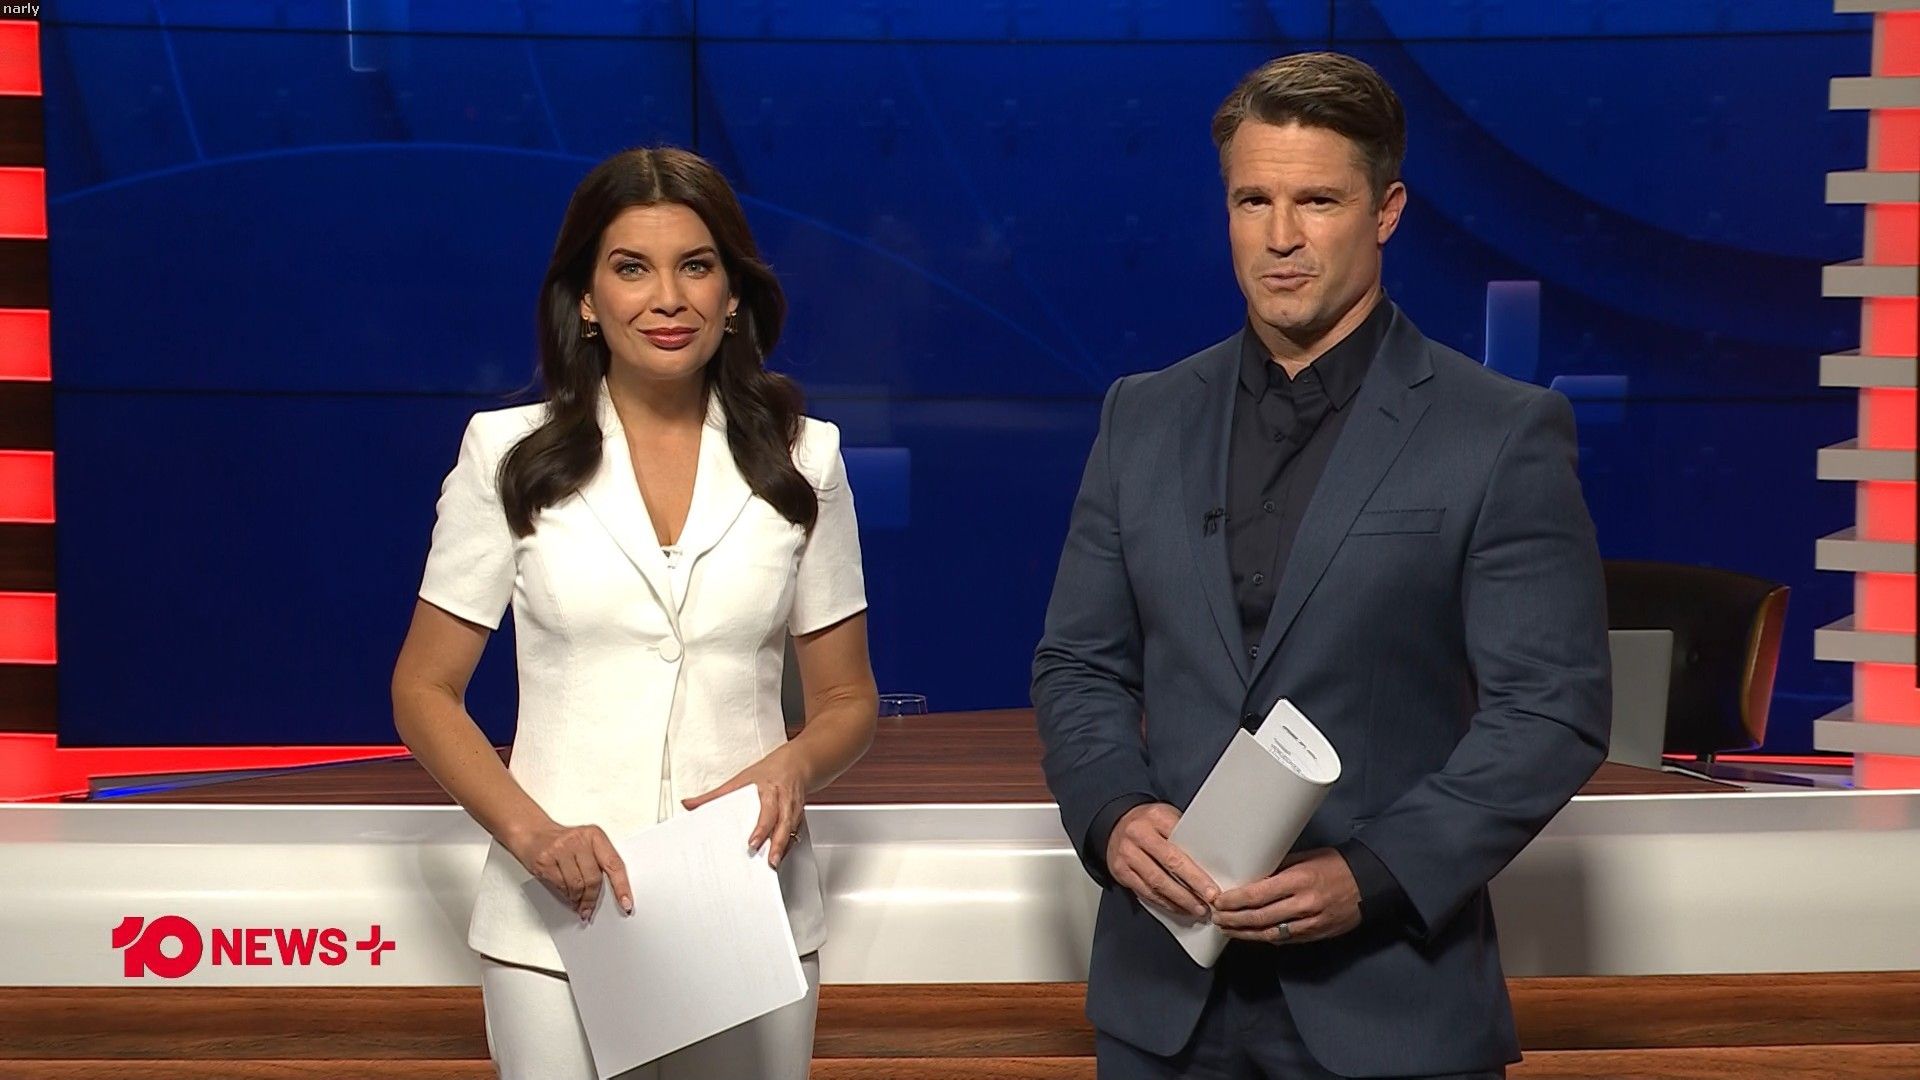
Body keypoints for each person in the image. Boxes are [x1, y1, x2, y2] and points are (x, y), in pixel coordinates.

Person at [1032, 52, 1610, 1079]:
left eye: (1317, 202)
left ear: (1386, 212)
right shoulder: (1142, 417)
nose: (1281, 236)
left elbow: (1550, 710)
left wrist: (1375, 872)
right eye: (1253, 200)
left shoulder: (1499, 431)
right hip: (1165, 1003)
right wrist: (1114, 814)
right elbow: (1078, 663)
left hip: (1389, 1005)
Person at [391, 146, 877, 1080]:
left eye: (695, 266)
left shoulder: (804, 459)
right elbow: (423, 689)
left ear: (731, 294)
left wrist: (792, 765)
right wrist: (534, 836)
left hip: (744, 902)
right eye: (631, 268)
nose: (667, 298)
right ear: (585, 298)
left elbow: (848, 699)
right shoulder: (507, 453)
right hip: (555, 917)